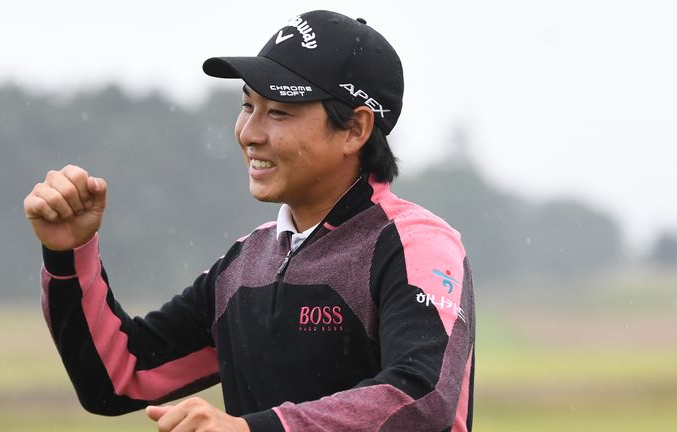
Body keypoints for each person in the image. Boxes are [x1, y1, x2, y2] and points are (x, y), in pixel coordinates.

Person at [23, 10, 475, 432]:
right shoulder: (244, 263)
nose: (249, 133)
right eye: (247, 106)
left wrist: (253, 428)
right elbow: (120, 376)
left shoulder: (415, 243)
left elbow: (421, 395)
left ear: (355, 129)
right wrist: (69, 254)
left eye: (278, 112)